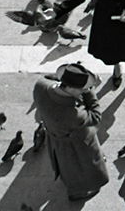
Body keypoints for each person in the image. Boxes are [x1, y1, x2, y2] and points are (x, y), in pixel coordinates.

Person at [33, 63, 109, 201]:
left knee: (65, 167)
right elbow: (96, 116)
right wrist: (90, 92)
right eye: (81, 89)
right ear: (72, 88)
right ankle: (77, 193)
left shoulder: (40, 85)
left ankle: (73, 188)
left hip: (54, 136)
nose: (82, 92)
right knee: (77, 170)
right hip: (74, 145)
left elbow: (50, 79)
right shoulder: (74, 114)